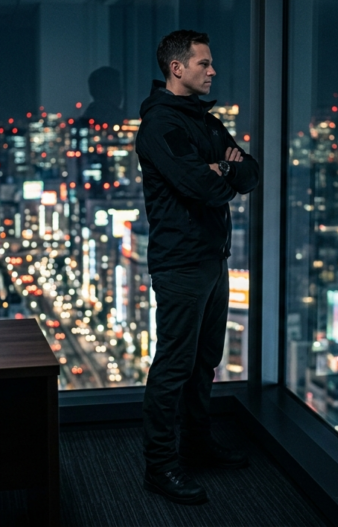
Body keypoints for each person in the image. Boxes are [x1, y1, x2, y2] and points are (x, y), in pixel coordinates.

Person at [135, 29, 259, 505]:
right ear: (177, 68)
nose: (213, 71)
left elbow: (249, 172)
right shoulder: (161, 125)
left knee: (205, 360)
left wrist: (222, 169)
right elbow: (200, 186)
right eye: (203, 63)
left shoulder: (205, 121)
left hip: (213, 257)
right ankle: (160, 466)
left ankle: (197, 445)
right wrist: (222, 171)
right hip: (181, 262)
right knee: (174, 366)